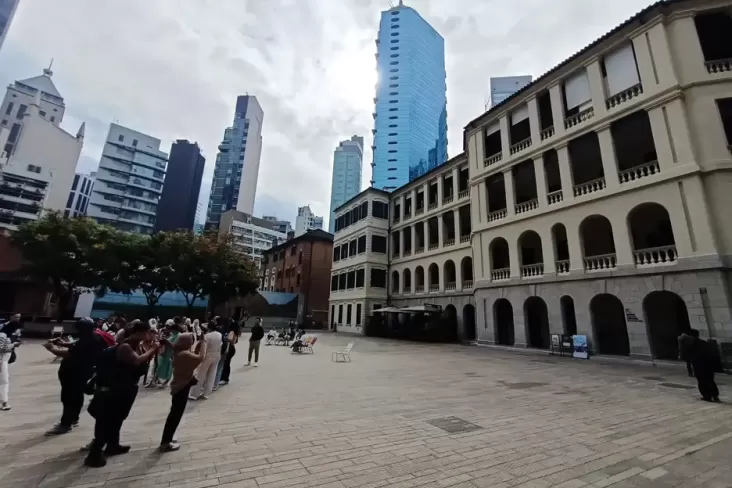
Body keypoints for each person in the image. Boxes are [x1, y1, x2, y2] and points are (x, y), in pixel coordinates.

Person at [83, 320, 163, 468]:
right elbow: (137, 361)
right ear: (140, 333)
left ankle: (113, 445)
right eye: (149, 333)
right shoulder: (125, 346)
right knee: (107, 421)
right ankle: (94, 454)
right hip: (115, 389)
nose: (151, 336)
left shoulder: (136, 345)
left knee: (118, 418)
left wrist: (150, 349)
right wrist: (154, 349)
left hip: (126, 388)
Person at [44, 318, 107, 435]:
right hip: (85, 372)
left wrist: (51, 348)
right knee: (77, 396)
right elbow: (76, 345)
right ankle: (74, 419)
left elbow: (69, 353)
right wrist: (63, 343)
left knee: (68, 399)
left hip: (74, 373)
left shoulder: (86, 341)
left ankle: (65, 424)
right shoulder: (94, 337)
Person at [160, 333, 205, 452]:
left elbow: (193, 357)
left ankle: (168, 438)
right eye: (191, 340)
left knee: (174, 414)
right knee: (175, 415)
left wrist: (198, 346)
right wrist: (203, 344)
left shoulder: (180, 352)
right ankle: (165, 442)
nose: (191, 342)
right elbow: (200, 358)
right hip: (181, 388)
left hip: (178, 387)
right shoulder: (184, 354)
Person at [188, 323, 222, 400]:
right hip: (216, 355)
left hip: (208, 355)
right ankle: (206, 393)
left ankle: (194, 394)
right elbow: (220, 345)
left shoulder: (206, 337)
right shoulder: (219, 334)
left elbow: (204, 349)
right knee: (211, 374)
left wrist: (200, 358)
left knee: (200, 375)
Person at [688, 329, 720, 403]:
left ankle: (707, 396)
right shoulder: (705, 343)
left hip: (699, 366)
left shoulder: (692, 345)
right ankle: (715, 395)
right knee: (710, 380)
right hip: (708, 366)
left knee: (702, 381)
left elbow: (689, 356)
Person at [0, 315, 22, 411]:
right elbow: (0, 348)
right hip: (1, 361)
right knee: (4, 382)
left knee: (4, 381)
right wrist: (13, 345)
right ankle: (4, 402)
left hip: (3, 361)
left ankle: (4, 401)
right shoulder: (2, 335)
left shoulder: (5, 335)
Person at [156, 319, 179, 387]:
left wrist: (166, 340)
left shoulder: (178, 335)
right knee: (161, 366)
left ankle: (166, 382)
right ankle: (158, 379)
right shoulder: (171, 334)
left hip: (171, 354)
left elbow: (174, 345)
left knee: (170, 368)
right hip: (165, 353)